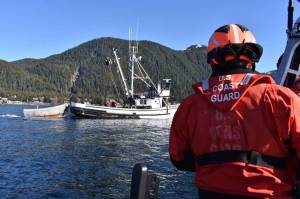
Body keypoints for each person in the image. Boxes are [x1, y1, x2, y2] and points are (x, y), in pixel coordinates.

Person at [169, 24, 300, 198]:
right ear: (251, 60)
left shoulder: (189, 106)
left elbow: (178, 158)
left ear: (213, 60)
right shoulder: (283, 99)